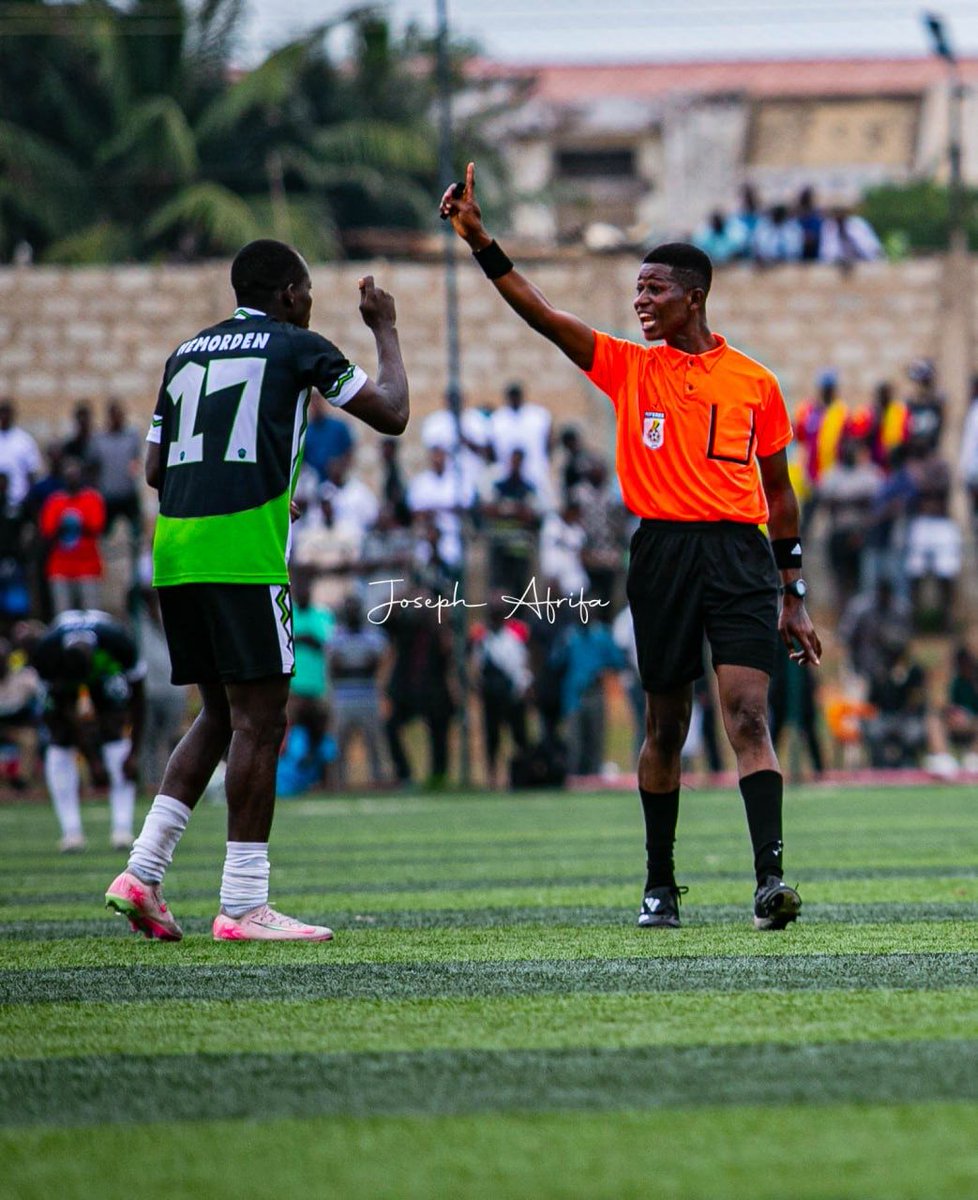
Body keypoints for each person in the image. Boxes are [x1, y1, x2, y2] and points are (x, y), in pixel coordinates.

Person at [441, 163, 820, 931]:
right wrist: (481, 240)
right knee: (664, 725)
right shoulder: (629, 368)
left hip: (741, 557)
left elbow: (780, 494)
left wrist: (794, 593)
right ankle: (660, 885)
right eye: (637, 291)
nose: (640, 301)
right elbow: (542, 314)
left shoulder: (754, 382)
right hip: (662, 556)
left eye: (654, 290)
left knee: (748, 715)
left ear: (694, 297)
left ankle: (770, 883)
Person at [104, 237, 408, 942]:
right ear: (288, 295)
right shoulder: (298, 346)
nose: (311, 304)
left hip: (176, 552)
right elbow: (393, 412)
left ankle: (142, 873)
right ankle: (243, 904)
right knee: (262, 721)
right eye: (308, 293)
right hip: (241, 555)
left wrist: (258, 486)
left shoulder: (185, 353)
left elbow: (155, 469)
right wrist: (385, 328)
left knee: (218, 713)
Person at [32, 609, 145, 852]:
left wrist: (134, 752)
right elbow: (61, 713)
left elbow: (139, 700)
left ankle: (122, 829)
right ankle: (71, 832)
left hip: (105, 674)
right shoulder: (47, 653)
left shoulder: (118, 644)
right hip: (61, 682)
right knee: (60, 738)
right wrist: (93, 760)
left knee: (114, 731)